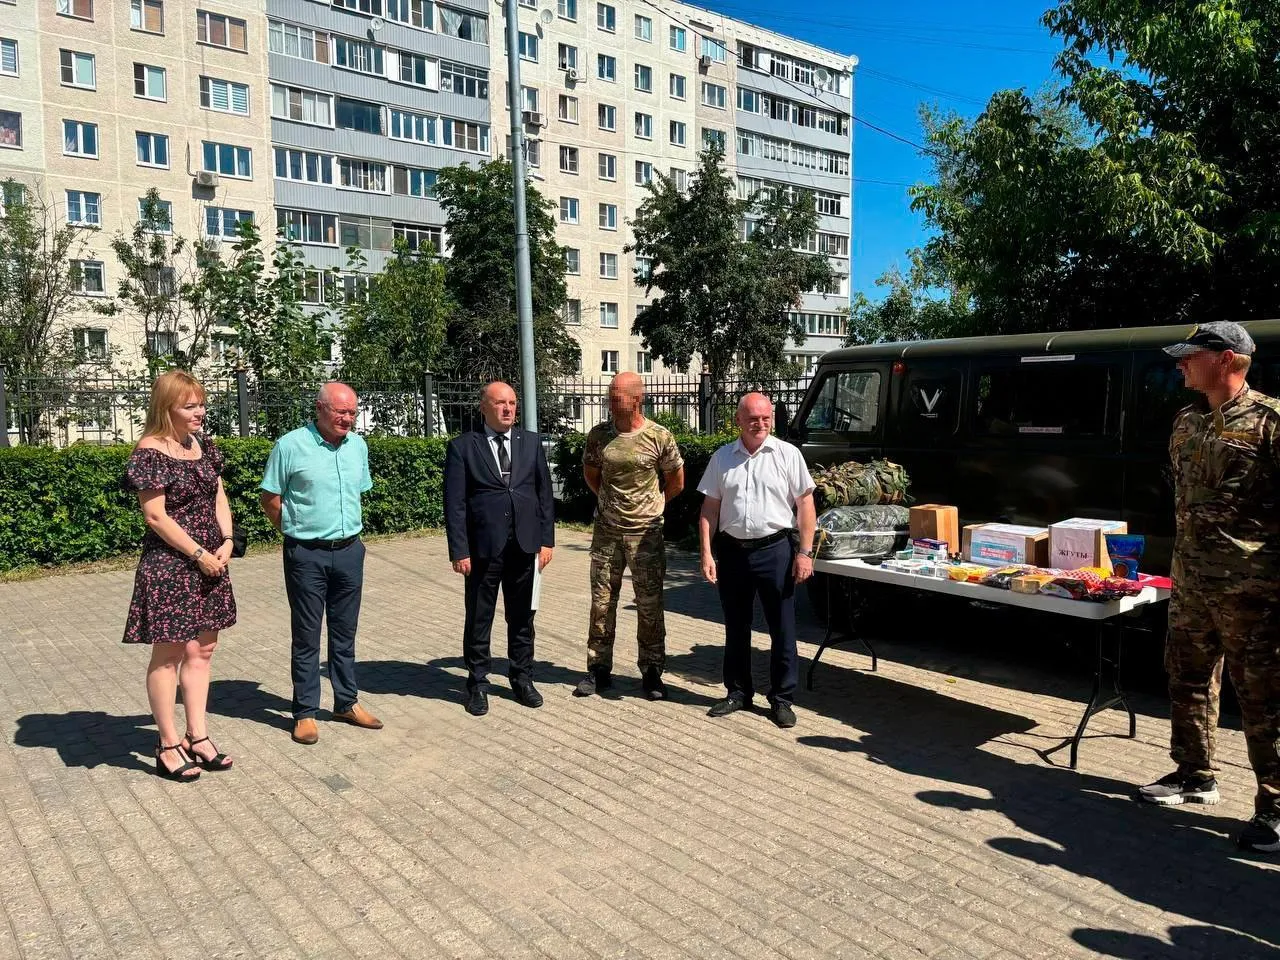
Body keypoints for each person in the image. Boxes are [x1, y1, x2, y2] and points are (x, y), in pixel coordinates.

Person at [1139, 321, 1280, 854]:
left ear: (1225, 360)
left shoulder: (1270, 422)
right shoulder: (1187, 422)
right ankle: (1195, 775)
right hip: (1194, 581)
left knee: (1265, 698)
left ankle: (1274, 806)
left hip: (1255, 591)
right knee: (1188, 678)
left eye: (1190, 357)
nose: (1181, 365)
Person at [122, 370, 236, 781]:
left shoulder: (202, 445)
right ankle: (168, 744)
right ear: (166, 408)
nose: (199, 412)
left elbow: (219, 493)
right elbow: (155, 517)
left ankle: (198, 735)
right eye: (190, 406)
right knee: (168, 655)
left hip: (211, 561)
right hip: (171, 567)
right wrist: (199, 553)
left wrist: (227, 538)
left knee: (203, 651)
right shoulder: (149, 452)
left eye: (201, 404)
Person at [260, 383, 382, 745]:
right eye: (340, 411)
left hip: (349, 551)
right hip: (306, 554)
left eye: (352, 412)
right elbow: (270, 497)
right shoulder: (290, 445)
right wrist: (294, 529)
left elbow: (357, 491)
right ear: (319, 408)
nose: (347, 418)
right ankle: (305, 713)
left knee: (345, 634)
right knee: (307, 636)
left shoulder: (358, 446)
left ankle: (346, 701)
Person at [697, 393, 817, 729]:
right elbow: (709, 510)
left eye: (765, 418)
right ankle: (737, 692)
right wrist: (707, 552)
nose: (759, 424)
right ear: (738, 420)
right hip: (732, 552)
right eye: (752, 418)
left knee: (782, 628)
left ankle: (782, 699)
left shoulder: (788, 455)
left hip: (775, 550)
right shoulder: (722, 458)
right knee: (736, 627)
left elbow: (805, 506)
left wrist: (805, 553)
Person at [444, 382, 555, 717]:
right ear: (484, 407)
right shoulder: (463, 447)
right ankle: (477, 683)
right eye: (500, 403)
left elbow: (544, 494)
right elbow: (455, 504)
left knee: (522, 617)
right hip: (483, 548)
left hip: (525, 545)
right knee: (480, 617)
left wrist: (547, 540)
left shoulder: (531, 443)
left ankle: (522, 678)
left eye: (512, 403)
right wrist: (459, 550)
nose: (508, 409)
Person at [575, 372, 684, 700]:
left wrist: (654, 506)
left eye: (617, 396)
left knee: (649, 605)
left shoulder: (659, 437)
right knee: (602, 602)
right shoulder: (598, 436)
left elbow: (676, 480)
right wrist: (611, 505)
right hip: (607, 533)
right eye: (610, 394)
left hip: (646, 536)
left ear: (637, 399)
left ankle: (651, 672)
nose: (611, 400)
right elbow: (591, 475)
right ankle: (598, 669)